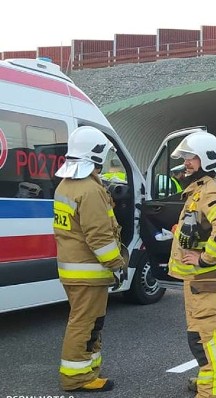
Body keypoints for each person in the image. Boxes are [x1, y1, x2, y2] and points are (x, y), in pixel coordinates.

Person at [53, 126, 127, 392]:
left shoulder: (66, 185)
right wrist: (118, 265)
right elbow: (100, 238)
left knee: (88, 322)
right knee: (85, 323)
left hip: (73, 269)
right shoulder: (89, 190)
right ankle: (76, 378)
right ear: (95, 154)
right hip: (89, 271)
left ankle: (88, 370)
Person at [167, 129, 216, 397]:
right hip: (199, 280)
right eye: (186, 158)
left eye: (191, 158)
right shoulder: (199, 189)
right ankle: (209, 379)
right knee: (199, 336)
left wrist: (205, 257)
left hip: (209, 277)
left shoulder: (210, 190)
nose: (186, 163)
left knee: (208, 336)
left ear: (206, 160)